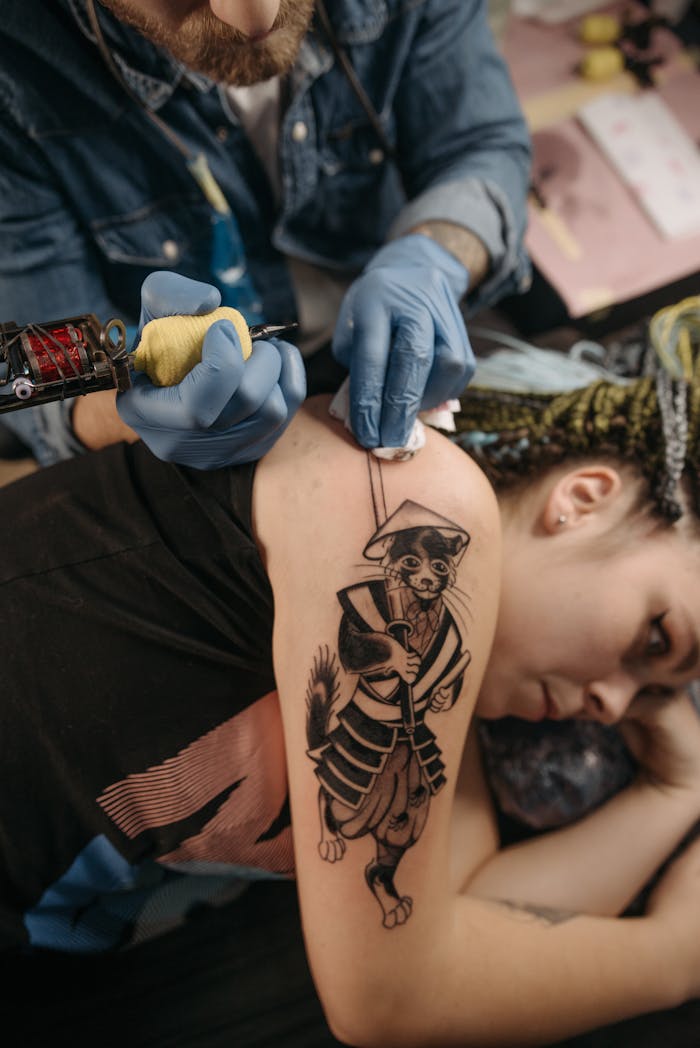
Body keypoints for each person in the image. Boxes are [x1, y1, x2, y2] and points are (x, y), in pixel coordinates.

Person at [3, 284, 700, 1047]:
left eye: (655, 694)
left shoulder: (442, 692)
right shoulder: (420, 500)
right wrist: (672, 958)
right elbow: (395, 997)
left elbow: (471, 923)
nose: (615, 705)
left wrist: (676, 790)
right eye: (656, 639)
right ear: (585, 500)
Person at [0, 0, 530, 469]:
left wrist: (434, 254)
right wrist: (125, 414)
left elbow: (479, 144)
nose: (255, 18)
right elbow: (31, 368)